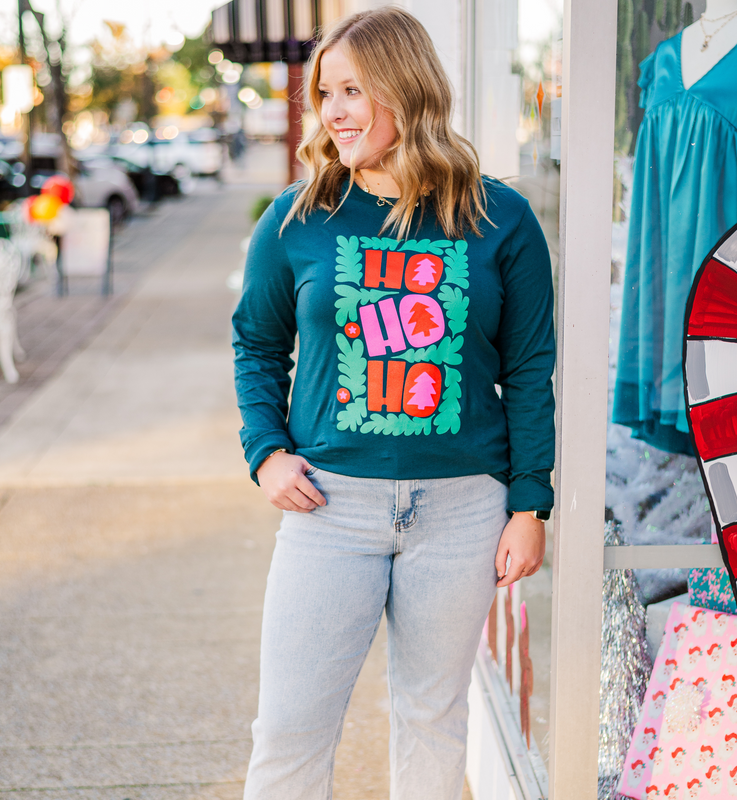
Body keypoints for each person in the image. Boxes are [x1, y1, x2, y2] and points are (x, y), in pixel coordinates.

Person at [232, 7, 555, 799]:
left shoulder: (499, 217)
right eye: (324, 94)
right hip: (329, 507)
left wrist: (529, 504)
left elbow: (530, 366)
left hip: (461, 509)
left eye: (351, 91)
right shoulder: (300, 217)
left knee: (432, 718)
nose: (332, 112)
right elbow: (257, 345)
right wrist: (266, 453)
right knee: (289, 730)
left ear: (404, 91)